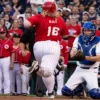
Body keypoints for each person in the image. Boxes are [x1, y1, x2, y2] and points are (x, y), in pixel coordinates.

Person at [23, 1, 68, 98]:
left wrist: (34, 24)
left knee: (45, 72)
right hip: (52, 46)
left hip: (38, 46)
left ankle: (51, 93)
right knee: (47, 71)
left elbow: (26, 23)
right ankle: (37, 68)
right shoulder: (60, 20)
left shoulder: (39, 17)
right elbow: (65, 35)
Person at [62, 21, 100, 99]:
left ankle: (91, 90)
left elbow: (98, 58)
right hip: (79, 69)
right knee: (65, 91)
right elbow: (73, 51)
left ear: (93, 31)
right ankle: (80, 90)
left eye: (89, 30)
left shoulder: (98, 40)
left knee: (95, 94)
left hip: (91, 70)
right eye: (85, 30)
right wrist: (73, 54)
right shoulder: (78, 38)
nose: (86, 32)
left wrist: (84, 57)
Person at [0, 27, 15, 94]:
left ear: (6, 33)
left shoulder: (9, 41)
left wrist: (12, 63)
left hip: (6, 59)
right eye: (0, 33)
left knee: (6, 75)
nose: (1, 34)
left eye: (3, 33)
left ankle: (6, 91)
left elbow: (13, 52)